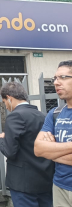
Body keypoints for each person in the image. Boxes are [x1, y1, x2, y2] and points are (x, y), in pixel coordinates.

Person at [0, 82, 54, 207]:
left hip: (23, 183)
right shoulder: (44, 115)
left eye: (4, 102)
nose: (5, 106)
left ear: (9, 98)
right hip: (46, 178)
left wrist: (1, 140)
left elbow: (10, 152)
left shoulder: (15, 116)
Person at [35, 60, 72, 206]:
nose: (56, 83)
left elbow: (47, 151)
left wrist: (53, 152)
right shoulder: (55, 113)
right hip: (59, 187)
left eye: (63, 77)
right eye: (55, 78)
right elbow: (38, 149)